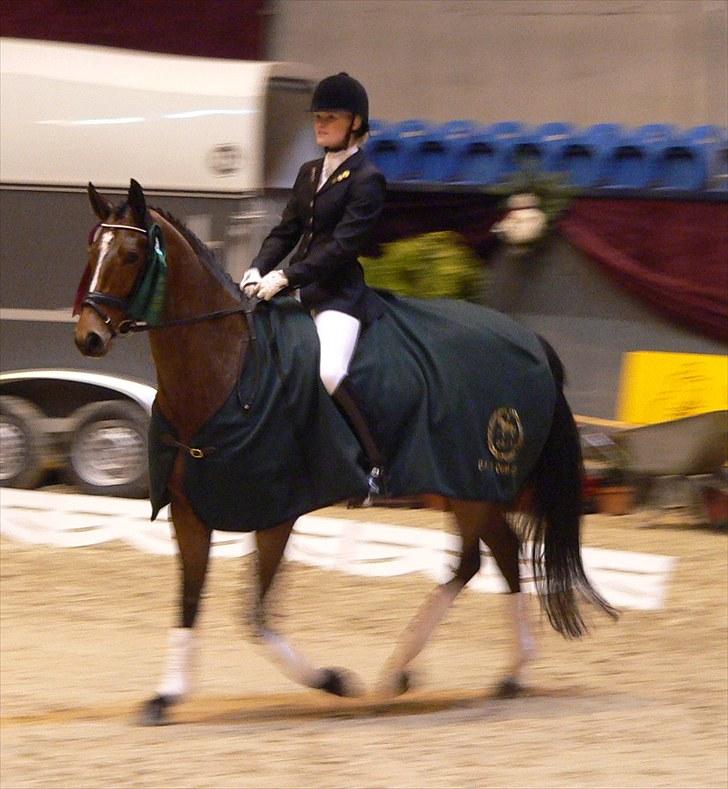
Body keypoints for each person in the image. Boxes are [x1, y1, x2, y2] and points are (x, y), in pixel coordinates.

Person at [241, 72, 387, 495]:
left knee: (329, 371)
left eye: (331, 117)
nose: (321, 124)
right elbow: (286, 231)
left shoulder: (366, 178)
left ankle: (376, 463)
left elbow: (342, 246)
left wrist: (286, 276)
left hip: (336, 295)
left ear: (355, 123)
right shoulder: (308, 172)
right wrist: (258, 267)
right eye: (318, 117)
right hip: (294, 289)